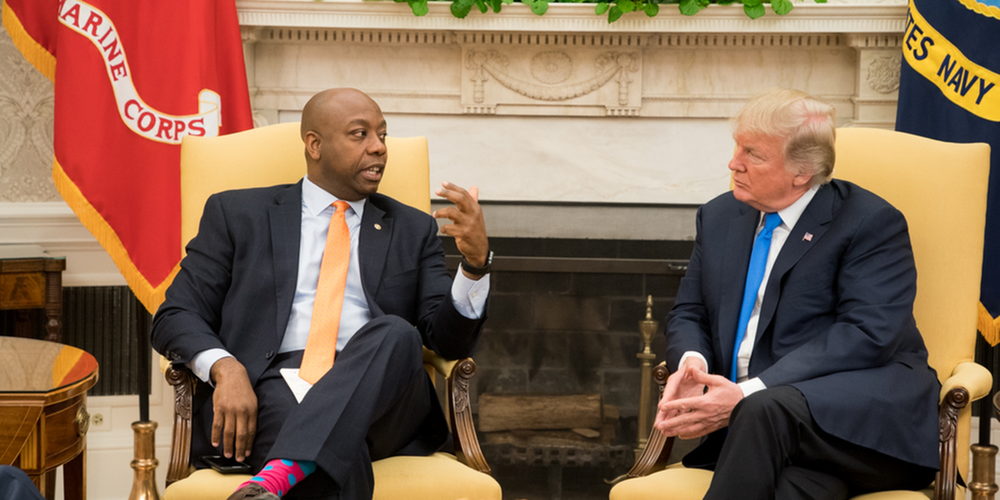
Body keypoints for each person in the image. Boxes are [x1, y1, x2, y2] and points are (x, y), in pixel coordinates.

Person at [151, 88, 491, 500]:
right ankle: (290, 468)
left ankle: (277, 475)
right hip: (272, 386)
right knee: (334, 454)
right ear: (314, 145)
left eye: (382, 135)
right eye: (360, 134)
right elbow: (175, 314)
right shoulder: (238, 214)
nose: (379, 147)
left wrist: (475, 266)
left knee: (397, 333)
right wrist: (226, 368)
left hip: (383, 392)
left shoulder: (411, 228)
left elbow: (445, 339)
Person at [653, 88, 941, 499]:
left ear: (801, 172)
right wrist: (692, 363)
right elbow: (689, 311)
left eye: (753, 153)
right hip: (777, 442)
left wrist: (747, 393)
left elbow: (868, 333)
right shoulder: (719, 216)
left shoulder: (871, 223)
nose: (734, 163)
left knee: (764, 409)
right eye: (737, 147)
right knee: (797, 489)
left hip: (861, 426)